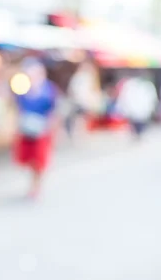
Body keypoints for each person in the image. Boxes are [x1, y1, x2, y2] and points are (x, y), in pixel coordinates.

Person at [13, 59, 58, 199]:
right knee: (29, 159)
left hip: (42, 128)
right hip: (26, 128)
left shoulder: (48, 88)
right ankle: (33, 183)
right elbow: (18, 106)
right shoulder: (23, 88)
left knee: (39, 159)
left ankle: (37, 185)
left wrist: (53, 126)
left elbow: (53, 109)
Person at [117, 70, 158, 140]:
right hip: (134, 109)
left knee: (141, 123)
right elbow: (125, 97)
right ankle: (137, 135)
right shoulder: (130, 85)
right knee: (135, 123)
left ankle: (139, 135)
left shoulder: (147, 85)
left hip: (142, 109)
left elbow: (151, 97)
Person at [66, 60, 101, 138]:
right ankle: (78, 135)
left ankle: (79, 135)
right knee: (80, 119)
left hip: (84, 102)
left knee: (81, 119)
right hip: (80, 102)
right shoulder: (81, 78)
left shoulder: (87, 78)